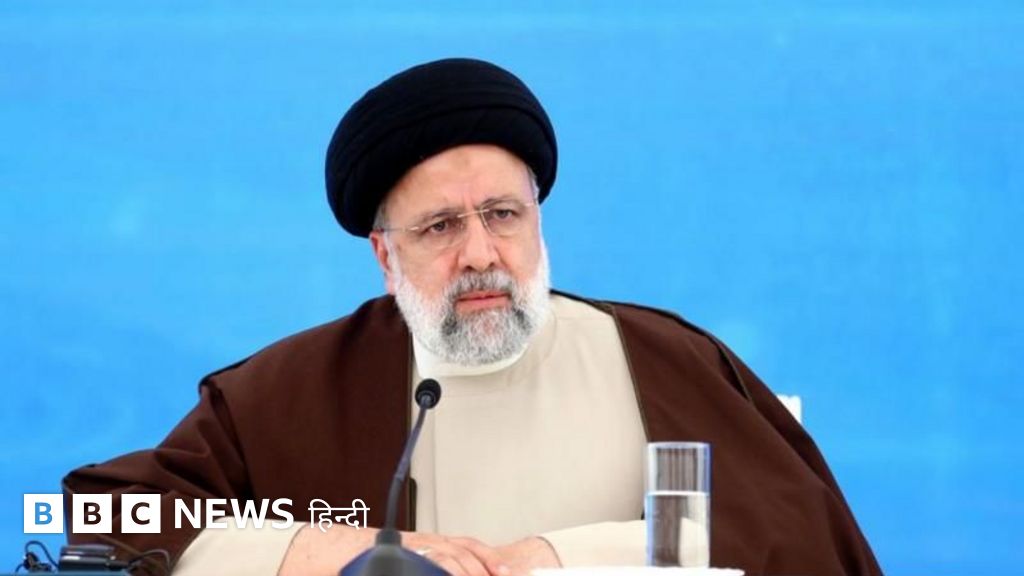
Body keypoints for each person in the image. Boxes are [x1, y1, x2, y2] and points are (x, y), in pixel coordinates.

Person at [63, 58, 881, 576]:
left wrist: (549, 560)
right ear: (385, 256)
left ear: (538, 221)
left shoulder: (666, 363)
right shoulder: (292, 390)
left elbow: (792, 536)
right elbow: (107, 521)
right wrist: (342, 550)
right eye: (440, 227)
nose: (481, 254)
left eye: (502, 215)